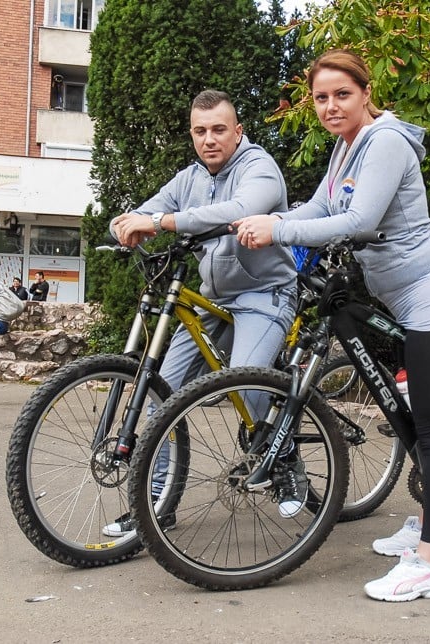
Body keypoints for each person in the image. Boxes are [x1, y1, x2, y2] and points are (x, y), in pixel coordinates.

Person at [233, 49, 430, 602]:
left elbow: (359, 221)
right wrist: (268, 221)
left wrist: (278, 233)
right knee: (412, 420)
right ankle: (429, 523)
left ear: (365, 94)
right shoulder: (344, 151)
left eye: (341, 94)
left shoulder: (385, 142)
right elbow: (318, 209)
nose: (330, 106)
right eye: (321, 97)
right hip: (404, 303)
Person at [105, 89, 297, 536]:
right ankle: (155, 504)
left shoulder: (259, 168)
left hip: (265, 294)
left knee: (248, 379)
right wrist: (124, 223)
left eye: (218, 129)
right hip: (215, 297)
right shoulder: (189, 177)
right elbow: (148, 208)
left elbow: (238, 211)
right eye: (199, 131)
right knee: (160, 397)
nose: (208, 139)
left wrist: (158, 224)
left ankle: (285, 458)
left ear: (238, 131)